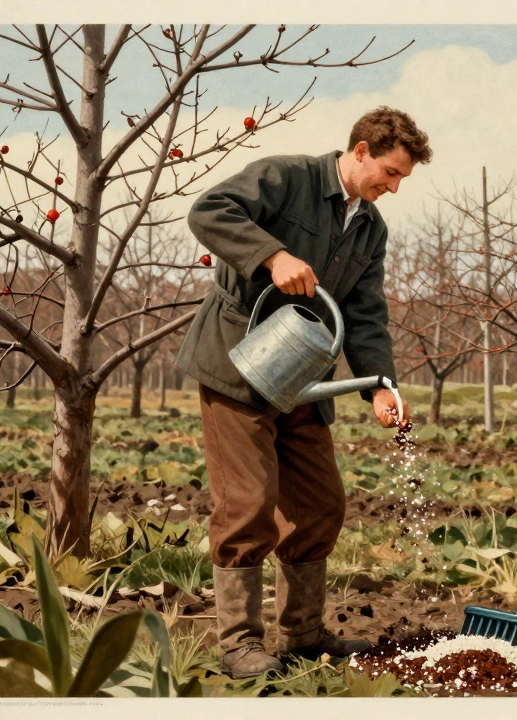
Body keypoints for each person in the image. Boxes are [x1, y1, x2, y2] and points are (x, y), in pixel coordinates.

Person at [176, 107, 429, 678]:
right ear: (361, 150)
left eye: (400, 181)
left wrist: (380, 388)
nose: (391, 188)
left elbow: (364, 314)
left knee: (320, 503)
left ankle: (302, 633)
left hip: (303, 373)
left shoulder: (370, 226)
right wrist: (272, 254)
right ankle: (240, 643)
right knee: (247, 503)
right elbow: (208, 210)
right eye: (388, 173)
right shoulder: (287, 177)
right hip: (237, 362)